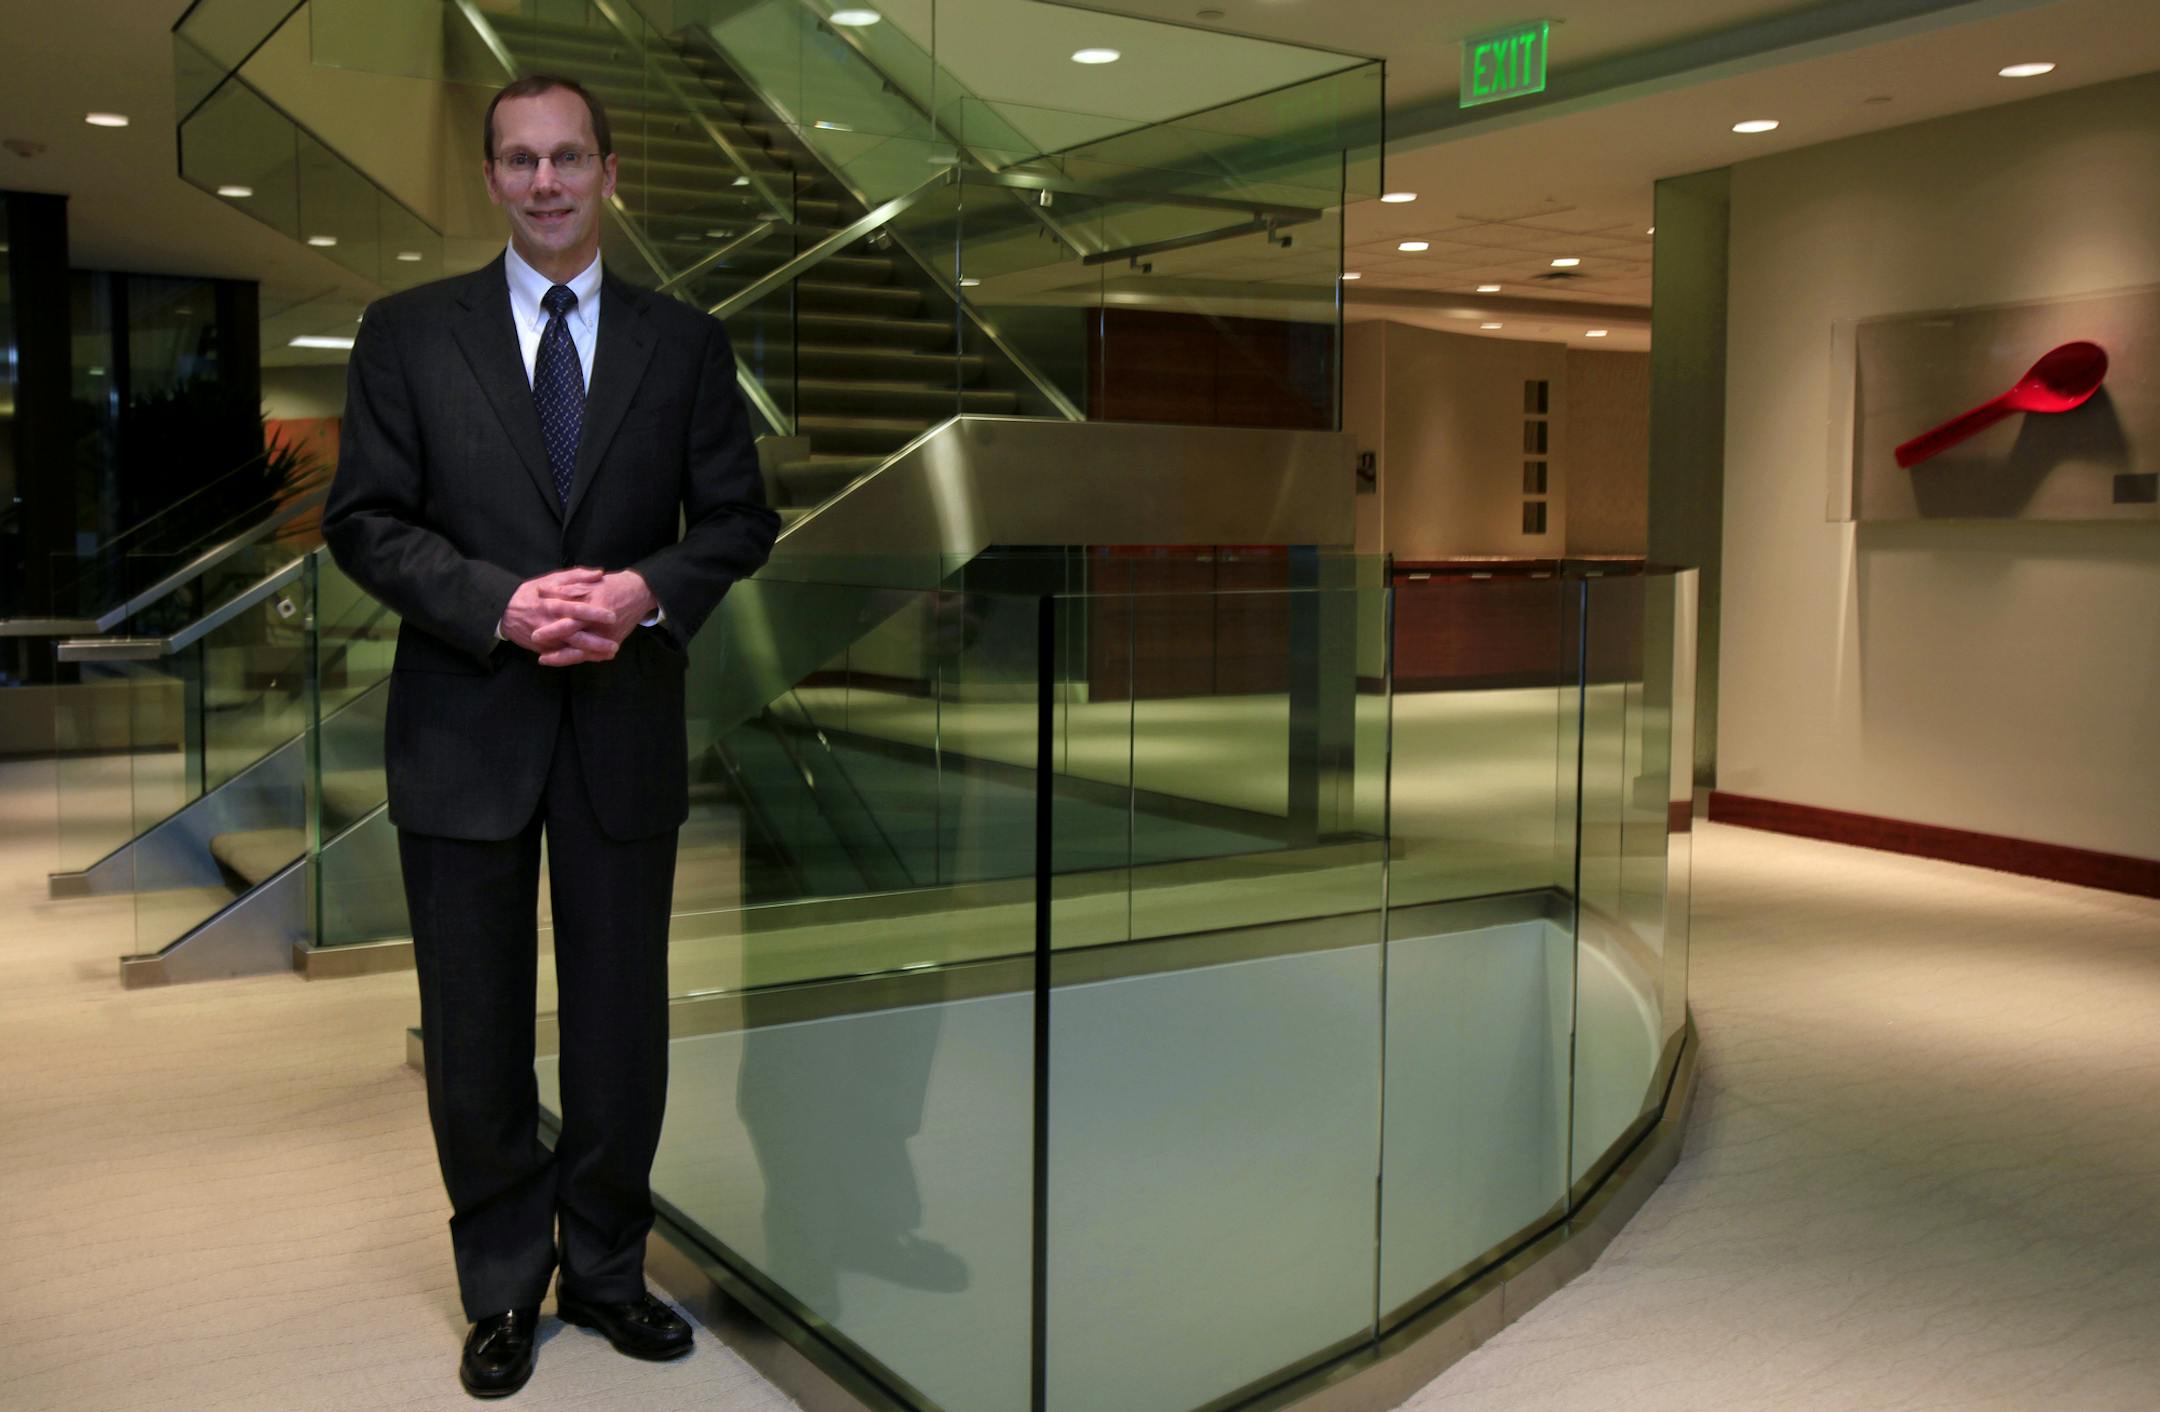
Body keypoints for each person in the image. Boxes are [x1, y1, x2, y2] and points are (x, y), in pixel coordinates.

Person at [322, 72, 778, 1399]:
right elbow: (365, 519)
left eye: (568, 156)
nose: (545, 182)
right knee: (474, 1030)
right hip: (465, 722)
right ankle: (504, 1284)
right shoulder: (407, 333)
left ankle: (612, 1273)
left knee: (620, 1025)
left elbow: (738, 521)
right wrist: (500, 605)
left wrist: (645, 593)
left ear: (609, 172)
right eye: (518, 160)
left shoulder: (685, 342)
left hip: (621, 725)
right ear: (490, 180)